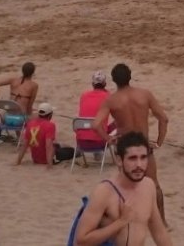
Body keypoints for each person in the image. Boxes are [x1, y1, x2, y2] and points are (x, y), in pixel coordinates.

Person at [91, 64, 170, 224]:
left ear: (113, 80)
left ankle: (129, 221)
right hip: (142, 144)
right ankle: (162, 222)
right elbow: (163, 118)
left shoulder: (111, 100)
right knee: (154, 185)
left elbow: (96, 124)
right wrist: (159, 142)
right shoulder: (144, 94)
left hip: (126, 146)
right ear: (130, 76)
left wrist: (108, 138)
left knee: (126, 187)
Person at [72, 132, 173, 246]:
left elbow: (159, 232)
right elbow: (82, 240)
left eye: (143, 158)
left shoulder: (148, 186)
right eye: (132, 158)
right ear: (119, 160)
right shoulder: (104, 192)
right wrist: (121, 222)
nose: (139, 164)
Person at [15, 102, 65, 168]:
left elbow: (24, 144)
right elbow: (48, 146)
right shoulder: (50, 125)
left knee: (59, 145)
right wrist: (49, 165)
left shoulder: (30, 123)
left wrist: (18, 161)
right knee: (70, 151)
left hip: (35, 159)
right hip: (47, 159)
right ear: (50, 115)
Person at [77, 71, 111, 153]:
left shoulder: (84, 96)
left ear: (93, 84)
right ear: (105, 84)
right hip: (100, 143)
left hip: (81, 143)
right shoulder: (108, 97)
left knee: (89, 123)